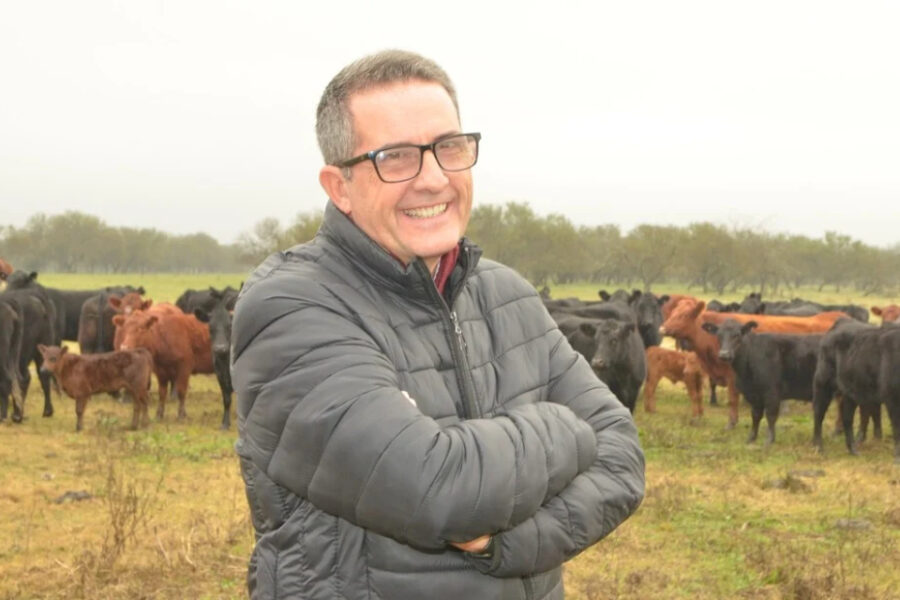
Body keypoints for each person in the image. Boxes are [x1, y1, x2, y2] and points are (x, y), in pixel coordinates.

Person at [231, 49, 645, 600]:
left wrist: (508, 546)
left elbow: (622, 458)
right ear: (339, 186)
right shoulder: (292, 307)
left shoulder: (507, 294)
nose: (433, 179)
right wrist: (566, 428)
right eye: (395, 157)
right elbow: (435, 491)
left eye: (449, 148)